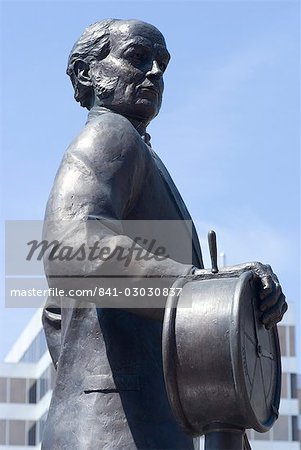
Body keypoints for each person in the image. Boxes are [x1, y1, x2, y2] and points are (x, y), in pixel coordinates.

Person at [41, 19, 287, 449]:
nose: (155, 71)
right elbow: (69, 249)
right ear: (88, 74)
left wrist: (233, 306)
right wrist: (208, 289)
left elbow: (59, 314)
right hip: (116, 426)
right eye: (138, 57)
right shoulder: (110, 134)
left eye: (162, 64)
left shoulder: (140, 154)